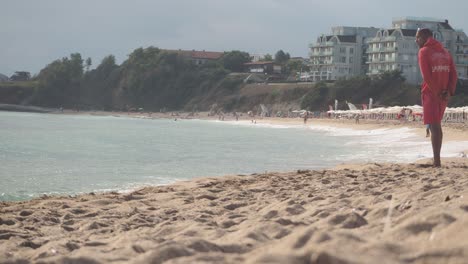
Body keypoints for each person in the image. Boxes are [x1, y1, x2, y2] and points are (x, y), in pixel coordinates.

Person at [416, 28, 457, 167]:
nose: (416, 41)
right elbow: (454, 74)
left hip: (432, 93)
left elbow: (426, 76)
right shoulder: (445, 52)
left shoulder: (424, 52)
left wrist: (437, 92)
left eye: (417, 38)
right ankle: (436, 160)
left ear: (424, 37)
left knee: (434, 126)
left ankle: (437, 162)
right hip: (444, 93)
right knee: (437, 126)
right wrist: (449, 92)